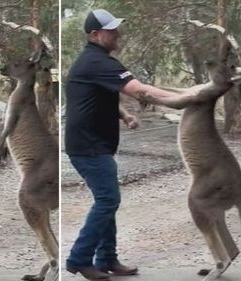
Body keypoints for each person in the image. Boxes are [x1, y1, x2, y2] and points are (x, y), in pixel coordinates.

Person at [64, 9, 194, 280]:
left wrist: (123, 114)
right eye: (111, 30)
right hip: (88, 146)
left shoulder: (99, 60)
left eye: (116, 28)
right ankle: (79, 259)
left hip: (94, 143)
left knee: (106, 201)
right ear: (95, 35)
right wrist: (187, 99)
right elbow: (141, 90)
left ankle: (107, 259)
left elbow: (97, 95)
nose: (117, 33)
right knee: (108, 199)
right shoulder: (96, 61)